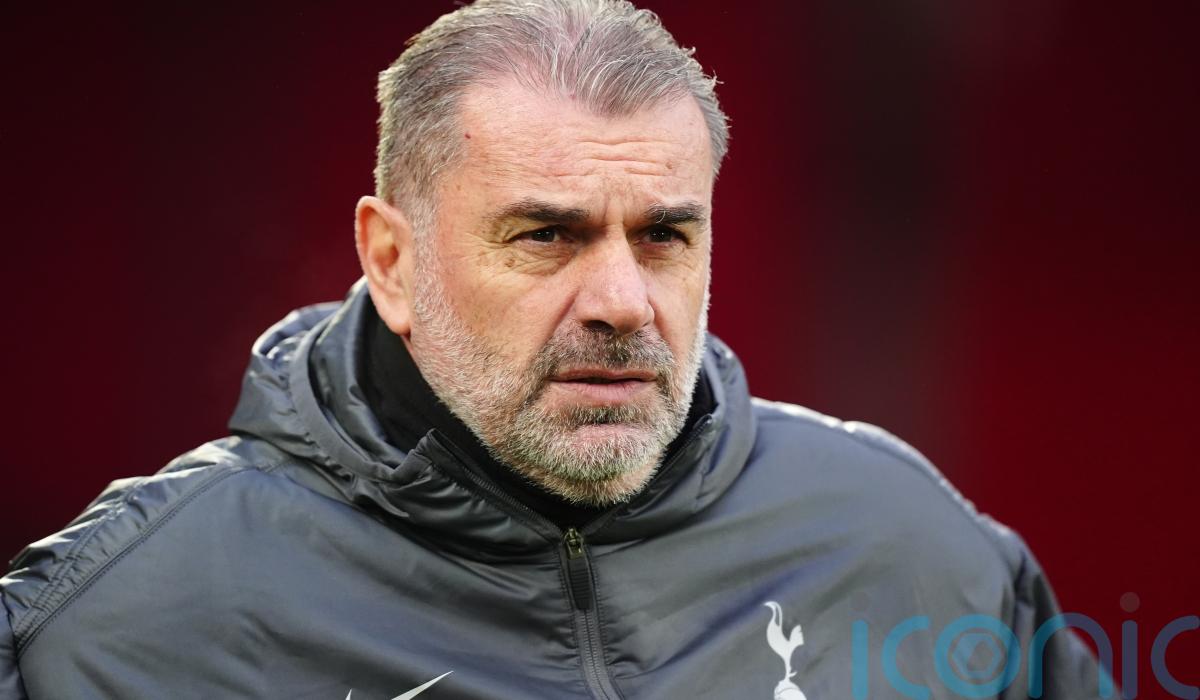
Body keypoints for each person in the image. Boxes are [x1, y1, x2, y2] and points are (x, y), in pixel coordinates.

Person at [1, 1, 1108, 698]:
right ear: (392, 260)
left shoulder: (909, 552)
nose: (623, 302)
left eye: (664, 236)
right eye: (546, 235)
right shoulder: (130, 624)